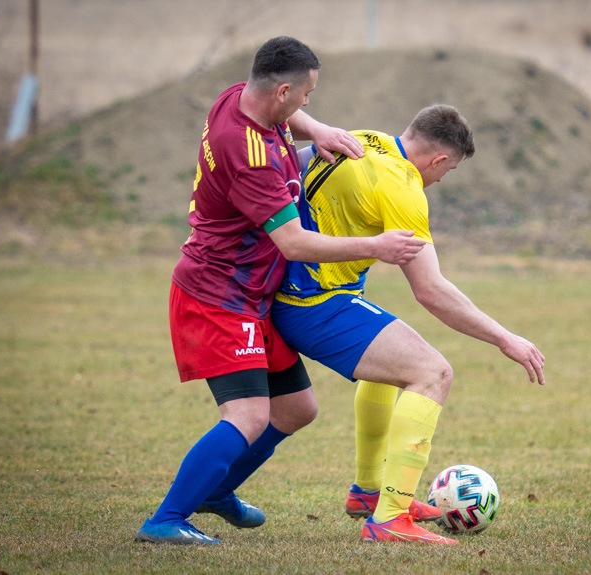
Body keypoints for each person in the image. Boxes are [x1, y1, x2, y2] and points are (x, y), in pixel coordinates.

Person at [134, 36, 425, 546]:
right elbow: (292, 243)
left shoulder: (238, 98)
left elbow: (290, 122)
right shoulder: (252, 158)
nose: (308, 103)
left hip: (248, 294)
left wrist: (318, 131)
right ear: (283, 90)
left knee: (296, 409)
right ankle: (166, 519)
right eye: (307, 95)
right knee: (248, 414)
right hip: (218, 295)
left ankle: (218, 492)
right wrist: (375, 245)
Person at [272, 104, 546, 545]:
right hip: (311, 302)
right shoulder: (403, 186)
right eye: (449, 171)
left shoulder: (362, 138)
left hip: (295, 291)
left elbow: (290, 169)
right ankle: (390, 518)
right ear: (439, 160)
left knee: (393, 364)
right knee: (432, 372)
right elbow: (431, 291)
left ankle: (368, 492)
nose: (441, 180)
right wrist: (505, 339)